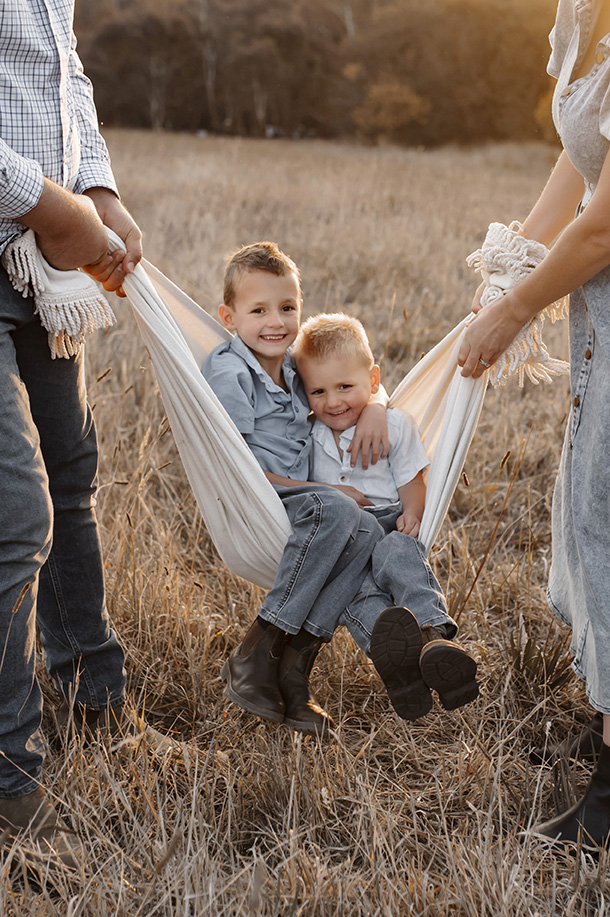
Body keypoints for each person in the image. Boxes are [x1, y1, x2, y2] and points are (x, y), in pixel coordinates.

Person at [0, 1, 165, 872]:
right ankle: (9, 778)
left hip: (36, 255)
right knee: (16, 516)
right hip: (25, 222)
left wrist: (94, 184)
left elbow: (59, 66)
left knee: (72, 475)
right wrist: (45, 202)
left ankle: (95, 701)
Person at [204, 243, 478, 738]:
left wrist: (375, 404)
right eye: (259, 310)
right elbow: (236, 466)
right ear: (228, 316)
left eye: (288, 308)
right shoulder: (230, 372)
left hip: (310, 504)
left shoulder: (291, 367)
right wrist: (322, 489)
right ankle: (255, 652)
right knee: (340, 509)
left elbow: (341, 381)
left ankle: (294, 673)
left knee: (367, 539)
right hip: (264, 495)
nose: (276, 321)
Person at [457, 0, 610, 849]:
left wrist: (516, 309)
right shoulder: (583, 14)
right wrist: (516, 248)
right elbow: (581, 153)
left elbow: (608, 222)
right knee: (593, 506)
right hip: (602, 315)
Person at [292, 312, 479, 719]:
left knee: (399, 555)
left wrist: (413, 512)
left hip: (389, 519)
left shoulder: (394, 423)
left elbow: (411, 477)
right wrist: (330, 493)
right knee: (355, 593)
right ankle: (401, 668)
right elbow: (297, 490)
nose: (334, 401)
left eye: (345, 387)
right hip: (343, 539)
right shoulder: (305, 435)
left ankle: (434, 635)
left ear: (373, 382)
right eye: (318, 391)